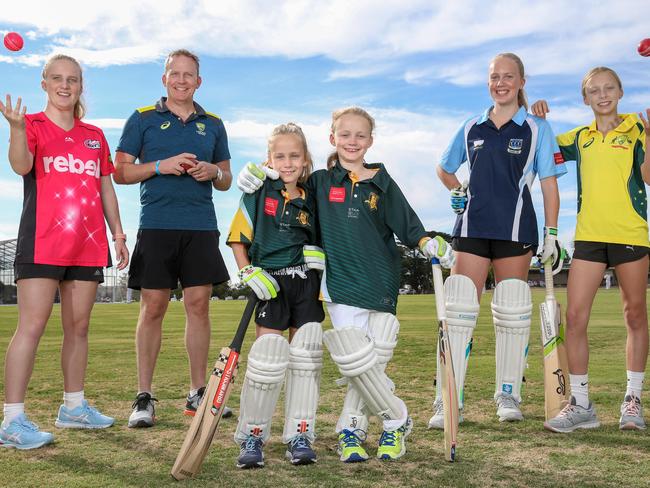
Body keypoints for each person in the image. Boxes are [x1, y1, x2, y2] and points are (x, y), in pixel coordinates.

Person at [237, 106, 453, 463]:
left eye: (360, 135)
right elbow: (284, 184)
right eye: (345, 134)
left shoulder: (382, 182)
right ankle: (382, 423)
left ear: (371, 140)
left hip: (380, 281)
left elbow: (409, 225)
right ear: (332, 138)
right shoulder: (320, 181)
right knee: (357, 362)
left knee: (375, 358)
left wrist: (427, 243)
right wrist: (257, 173)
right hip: (339, 287)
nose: (353, 141)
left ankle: (358, 427)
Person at [431, 53, 567, 428]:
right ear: (488, 81)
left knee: (512, 312)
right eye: (494, 77)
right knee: (458, 313)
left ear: (522, 81)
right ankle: (448, 397)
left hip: (515, 231)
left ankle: (508, 394)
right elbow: (444, 168)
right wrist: (457, 188)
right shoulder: (470, 126)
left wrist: (552, 234)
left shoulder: (537, 127)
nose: (501, 82)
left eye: (509, 76)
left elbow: (549, 185)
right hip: (470, 228)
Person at [0, 54, 129, 449]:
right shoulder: (33, 125)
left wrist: (118, 234)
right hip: (42, 241)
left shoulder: (94, 135)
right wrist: (17, 130)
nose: (64, 85)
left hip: (87, 245)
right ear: (44, 84)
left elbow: (105, 186)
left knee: (79, 328)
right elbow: (21, 166)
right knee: (32, 327)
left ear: (80, 86)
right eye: (56, 78)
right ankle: (12, 420)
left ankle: (73, 407)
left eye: (72, 79)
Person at [113, 49, 232, 427]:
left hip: (200, 226)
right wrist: (160, 167)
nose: (182, 80)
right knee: (153, 308)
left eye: (189, 75)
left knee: (199, 306)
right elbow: (120, 172)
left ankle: (198, 393)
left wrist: (213, 170)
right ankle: (143, 397)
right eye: (175, 74)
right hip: (157, 225)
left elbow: (227, 180)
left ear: (199, 81)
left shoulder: (213, 124)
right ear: (164, 79)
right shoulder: (143, 118)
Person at [531, 67, 650, 432]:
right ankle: (581, 403)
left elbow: (648, 177)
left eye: (609, 88)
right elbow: (543, 149)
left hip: (631, 233)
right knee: (576, 318)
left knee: (634, 315)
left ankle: (633, 400)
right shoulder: (578, 138)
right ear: (585, 99)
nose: (602, 95)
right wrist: (537, 117)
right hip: (589, 238)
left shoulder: (638, 129)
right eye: (594, 91)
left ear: (620, 91)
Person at [227, 122, 325, 468]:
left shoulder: (312, 197)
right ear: (269, 159)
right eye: (279, 156)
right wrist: (247, 271)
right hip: (269, 283)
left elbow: (325, 237)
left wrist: (319, 255)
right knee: (267, 361)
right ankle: (252, 436)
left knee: (306, 360)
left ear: (305, 159)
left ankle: (301, 434)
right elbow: (239, 238)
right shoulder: (257, 191)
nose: (287, 162)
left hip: (305, 283)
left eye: (294, 155)